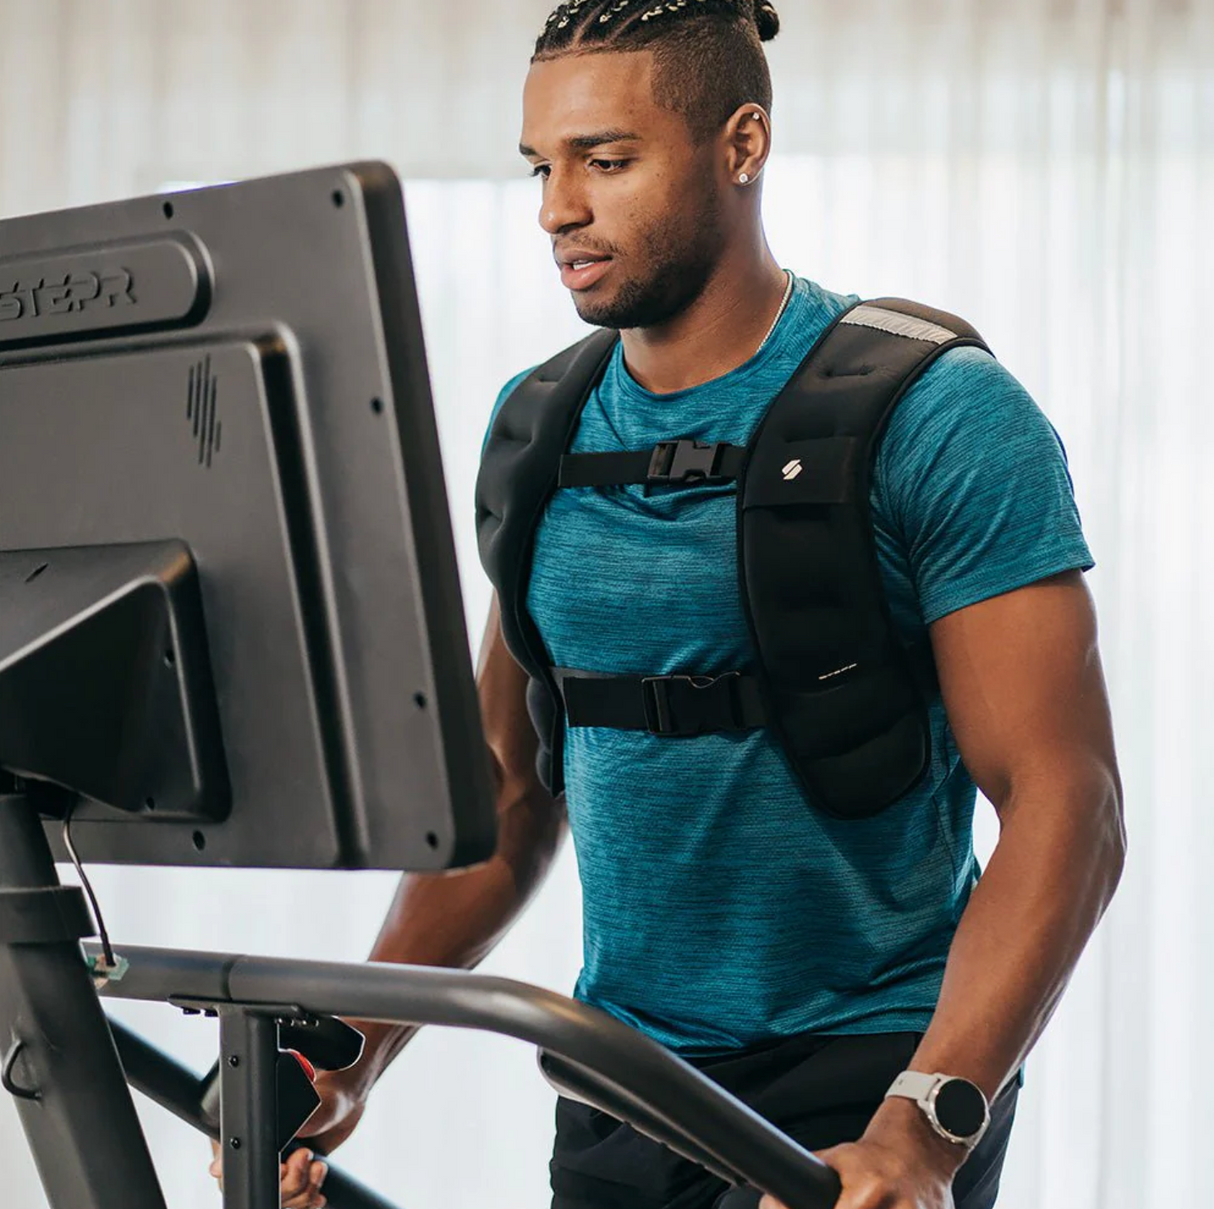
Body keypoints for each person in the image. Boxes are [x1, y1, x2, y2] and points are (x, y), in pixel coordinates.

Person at [210, 2, 1125, 1206]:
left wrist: (928, 1125)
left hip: (861, 1097)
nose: (556, 210)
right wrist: (354, 1047)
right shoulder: (538, 426)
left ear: (739, 144)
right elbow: (504, 787)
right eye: (542, 166)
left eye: (605, 159)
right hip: (616, 1087)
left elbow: (1068, 803)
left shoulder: (940, 414)